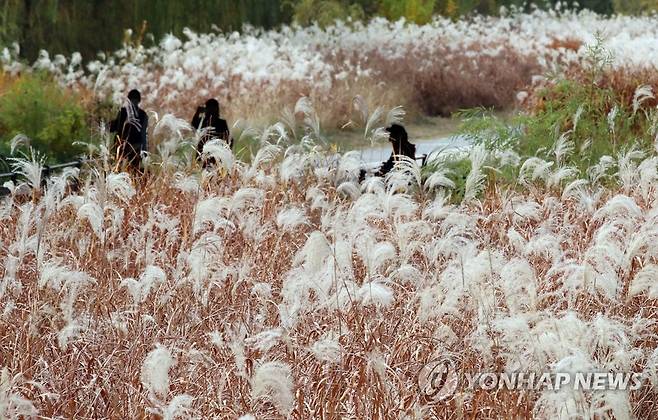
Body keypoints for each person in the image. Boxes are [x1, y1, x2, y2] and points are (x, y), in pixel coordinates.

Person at [109, 89, 148, 172]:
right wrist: (144, 150)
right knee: (134, 170)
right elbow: (144, 135)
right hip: (135, 147)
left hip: (123, 146)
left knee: (120, 170)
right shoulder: (143, 114)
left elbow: (116, 127)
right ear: (139, 100)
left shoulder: (123, 111)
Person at [191, 98, 231, 166]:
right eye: (211, 108)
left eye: (214, 108)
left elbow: (227, 138)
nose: (213, 111)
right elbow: (194, 125)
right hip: (208, 154)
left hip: (216, 154)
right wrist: (198, 112)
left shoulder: (221, 122)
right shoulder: (204, 122)